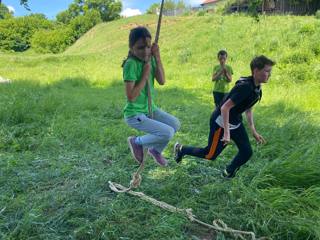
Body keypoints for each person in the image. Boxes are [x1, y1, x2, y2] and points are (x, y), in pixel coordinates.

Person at [174, 55, 275, 178]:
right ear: (256, 71)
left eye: (270, 71)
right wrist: (227, 133)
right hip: (221, 122)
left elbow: (248, 108)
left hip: (235, 121)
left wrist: (253, 131)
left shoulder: (256, 87)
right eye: (267, 71)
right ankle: (181, 149)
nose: (269, 74)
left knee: (246, 151)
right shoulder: (245, 87)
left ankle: (228, 173)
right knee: (210, 154)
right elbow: (224, 108)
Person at [122, 26, 180, 167]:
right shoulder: (131, 64)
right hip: (134, 114)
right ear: (131, 48)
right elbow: (131, 96)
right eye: (141, 48)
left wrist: (157, 57)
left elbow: (162, 81)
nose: (145, 51)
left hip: (149, 109)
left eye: (148, 47)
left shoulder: (151, 59)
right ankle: (136, 142)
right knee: (168, 133)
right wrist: (145, 75)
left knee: (175, 124)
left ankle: (155, 150)